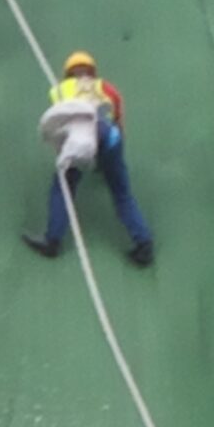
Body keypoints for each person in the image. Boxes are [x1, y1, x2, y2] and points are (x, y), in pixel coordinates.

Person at [26, 49, 154, 266]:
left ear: (68, 73)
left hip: (82, 137)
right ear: (92, 72)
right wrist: (111, 160)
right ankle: (143, 243)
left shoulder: (59, 90)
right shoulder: (107, 88)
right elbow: (119, 125)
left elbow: (59, 122)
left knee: (63, 184)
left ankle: (52, 240)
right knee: (121, 193)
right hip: (110, 137)